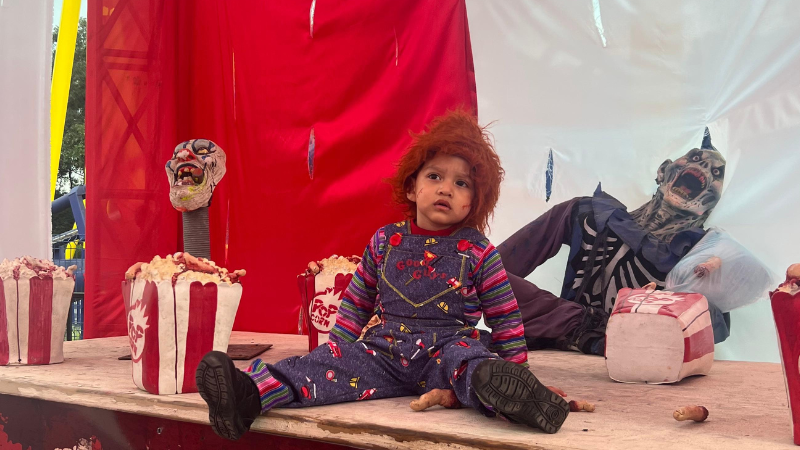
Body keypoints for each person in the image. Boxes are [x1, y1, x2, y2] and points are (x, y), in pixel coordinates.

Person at [195, 110, 570, 441]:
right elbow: (356, 304)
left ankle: (518, 399)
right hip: (383, 352)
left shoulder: (478, 251)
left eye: (462, 184)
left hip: (448, 351)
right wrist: (335, 352)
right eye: (435, 176)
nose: (446, 188)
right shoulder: (384, 241)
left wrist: (519, 371)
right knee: (312, 368)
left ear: (475, 201)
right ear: (412, 187)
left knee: (474, 368)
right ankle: (247, 396)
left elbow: (505, 317)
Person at [498, 129, 730, 355]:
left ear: (712, 203)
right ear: (663, 171)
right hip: (573, 331)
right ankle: (581, 324)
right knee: (484, 274)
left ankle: (579, 326)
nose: (705, 166)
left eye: (717, 172)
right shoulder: (587, 213)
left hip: (634, 349)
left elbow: (709, 329)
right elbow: (490, 271)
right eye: (695, 158)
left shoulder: (700, 254)